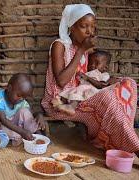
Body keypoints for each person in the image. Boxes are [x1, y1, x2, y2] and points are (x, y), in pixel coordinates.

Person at [41, 4, 139, 156]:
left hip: (81, 98)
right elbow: (61, 81)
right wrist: (81, 51)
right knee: (106, 98)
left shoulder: (86, 50)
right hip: (60, 103)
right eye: (84, 26)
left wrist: (110, 81)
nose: (89, 31)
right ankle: (135, 147)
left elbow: (87, 79)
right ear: (72, 27)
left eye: (92, 27)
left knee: (129, 83)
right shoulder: (60, 46)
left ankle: (123, 136)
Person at [52, 50, 117, 115]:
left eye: (97, 63)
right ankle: (60, 102)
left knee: (78, 94)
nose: (92, 65)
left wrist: (87, 78)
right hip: (83, 90)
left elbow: (102, 85)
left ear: (105, 68)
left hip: (94, 92)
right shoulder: (88, 73)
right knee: (72, 91)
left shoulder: (104, 75)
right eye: (91, 63)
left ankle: (71, 107)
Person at [0, 74, 45, 146]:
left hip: (17, 127)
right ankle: (22, 137)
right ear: (9, 88)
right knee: (14, 134)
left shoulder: (21, 101)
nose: (21, 99)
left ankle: (39, 137)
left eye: (24, 97)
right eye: (19, 95)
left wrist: (39, 115)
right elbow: (3, 120)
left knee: (24, 111)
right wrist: (22, 131)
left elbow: (30, 114)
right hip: (2, 126)